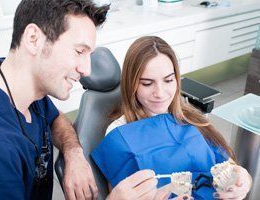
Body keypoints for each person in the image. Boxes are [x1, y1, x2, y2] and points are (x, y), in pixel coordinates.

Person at [0, 0, 110, 199]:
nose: (87, 69)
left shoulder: (12, 77)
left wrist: (73, 153)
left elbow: (53, 117)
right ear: (33, 39)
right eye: (79, 51)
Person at [91, 36, 252, 199]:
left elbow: (229, 166)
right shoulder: (119, 133)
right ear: (131, 84)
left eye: (168, 80)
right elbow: (120, 195)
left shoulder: (190, 117)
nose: (160, 93)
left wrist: (243, 180)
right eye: (147, 83)